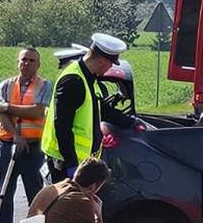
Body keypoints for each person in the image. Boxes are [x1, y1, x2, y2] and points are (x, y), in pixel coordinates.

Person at [41, 33, 137, 183]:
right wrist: (72, 166)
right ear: (101, 62)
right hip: (66, 162)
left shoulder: (89, 78)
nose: (110, 68)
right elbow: (62, 127)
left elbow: (101, 110)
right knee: (68, 206)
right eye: (111, 64)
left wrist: (130, 122)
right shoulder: (73, 81)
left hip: (82, 162)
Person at [0, 48, 53, 223]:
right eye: (24, 60)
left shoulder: (44, 85)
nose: (27, 63)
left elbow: (39, 111)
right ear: (18, 62)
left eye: (31, 60)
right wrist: (16, 135)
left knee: (35, 194)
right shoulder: (7, 85)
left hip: (33, 148)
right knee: (4, 192)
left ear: (38, 64)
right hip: (8, 144)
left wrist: (8, 107)